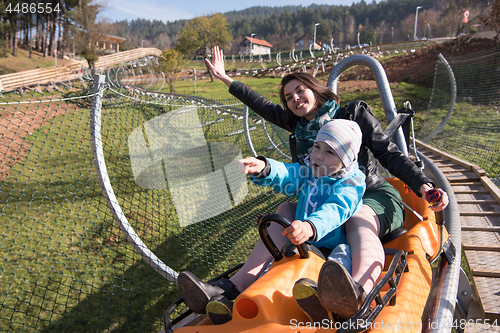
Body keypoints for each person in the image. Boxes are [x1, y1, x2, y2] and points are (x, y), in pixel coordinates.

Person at [200, 46, 449, 319]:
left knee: (356, 216)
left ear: (314, 89)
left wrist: (422, 183)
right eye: (288, 97)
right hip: (322, 196)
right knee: (282, 212)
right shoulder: (299, 128)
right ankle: (233, 287)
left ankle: (359, 290)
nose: (295, 98)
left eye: (299, 90)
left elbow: (388, 153)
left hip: (367, 193)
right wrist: (226, 79)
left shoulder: (352, 114)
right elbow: (265, 112)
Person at [178, 120, 366, 325]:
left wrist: (311, 226)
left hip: (327, 247)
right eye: (317, 147)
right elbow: (290, 174)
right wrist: (266, 168)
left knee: (340, 261)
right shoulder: (310, 170)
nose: (319, 156)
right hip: (300, 243)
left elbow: (337, 209)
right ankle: (234, 296)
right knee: (273, 268)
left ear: (346, 160)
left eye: (330, 152)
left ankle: (330, 303)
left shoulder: (351, 183)